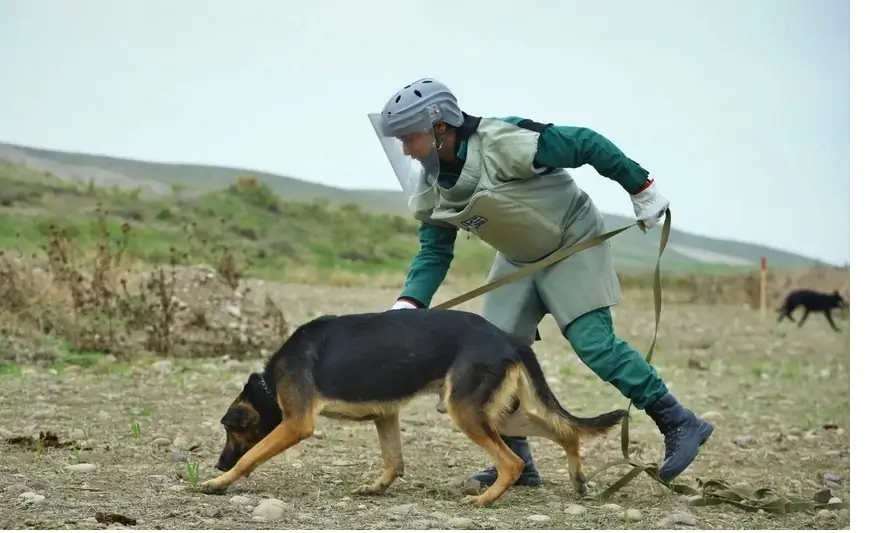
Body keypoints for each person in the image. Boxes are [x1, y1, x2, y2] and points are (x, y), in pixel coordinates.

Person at [368, 78, 714, 488]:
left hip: (573, 239)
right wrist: (408, 305)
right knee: (490, 356)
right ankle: (519, 464)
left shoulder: (504, 142)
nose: (406, 150)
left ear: (440, 127)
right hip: (518, 259)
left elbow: (586, 143)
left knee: (593, 344)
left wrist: (641, 187)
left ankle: (679, 421)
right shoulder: (430, 187)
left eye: (409, 138)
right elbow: (433, 253)